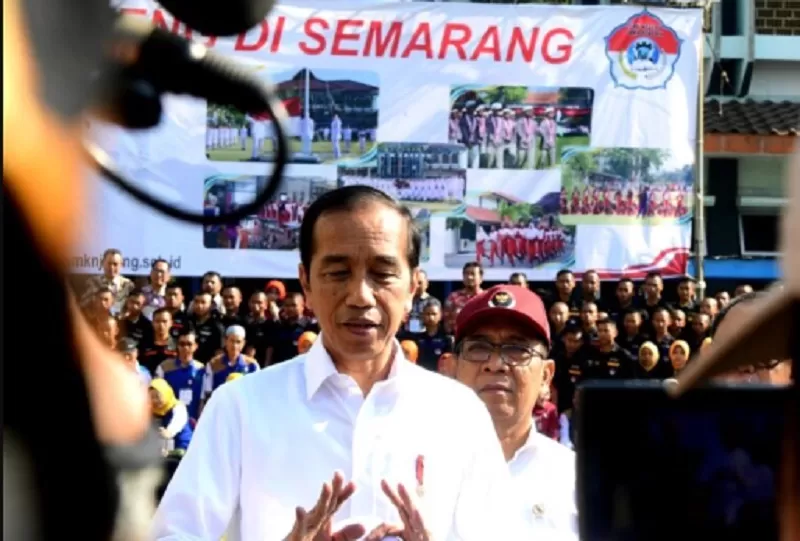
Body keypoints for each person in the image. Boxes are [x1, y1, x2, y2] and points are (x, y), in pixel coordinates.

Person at [153, 185, 520, 540]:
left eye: (382, 273)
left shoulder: (458, 413)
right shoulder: (241, 408)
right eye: (337, 273)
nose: (360, 296)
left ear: (413, 286)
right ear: (306, 284)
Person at [451, 285, 578, 539]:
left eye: (517, 350)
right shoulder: (414, 471)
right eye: (478, 348)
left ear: (545, 375)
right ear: (453, 369)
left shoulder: (575, 480)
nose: (495, 364)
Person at [149, 379, 193, 455]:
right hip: (164, 452)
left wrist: (169, 432)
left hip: (183, 449)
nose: (155, 400)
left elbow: (178, 421)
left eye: (158, 396)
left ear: (165, 393)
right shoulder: (152, 410)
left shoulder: (178, 407)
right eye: (152, 397)